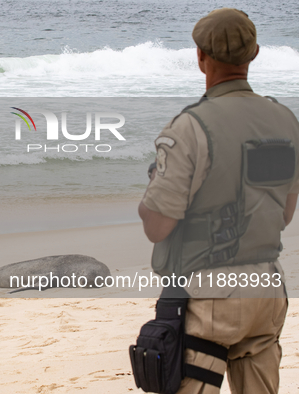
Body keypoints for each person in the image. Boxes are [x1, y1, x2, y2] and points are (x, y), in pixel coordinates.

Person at [138, 8, 299, 394]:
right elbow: (286, 212)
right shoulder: (285, 120)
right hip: (267, 289)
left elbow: (157, 226)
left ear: (201, 58)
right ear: (254, 54)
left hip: (211, 295)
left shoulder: (190, 127)